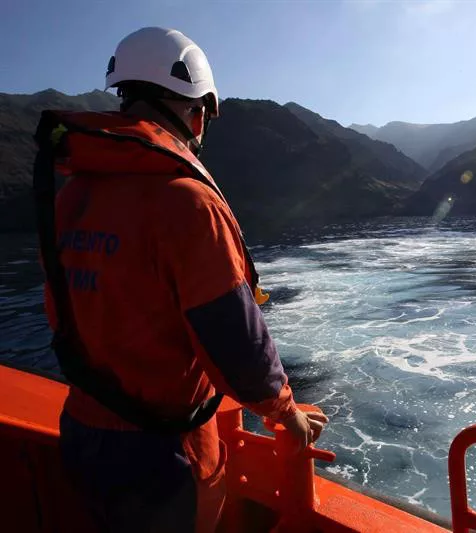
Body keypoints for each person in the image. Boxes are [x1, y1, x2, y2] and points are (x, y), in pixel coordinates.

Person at [39, 27, 328, 533]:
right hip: (163, 453)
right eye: (204, 114)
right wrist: (287, 411)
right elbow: (233, 337)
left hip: (82, 431)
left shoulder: (73, 195)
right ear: (195, 111)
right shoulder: (187, 202)